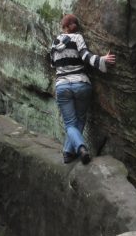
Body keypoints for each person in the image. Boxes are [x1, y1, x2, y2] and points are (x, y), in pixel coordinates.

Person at [49, 14, 115, 164]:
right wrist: (102, 60)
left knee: (70, 124)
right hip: (81, 84)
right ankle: (79, 148)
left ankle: (69, 152)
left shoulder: (54, 43)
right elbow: (86, 56)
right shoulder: (77, 38)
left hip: (62, 86)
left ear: (63, 27)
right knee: (79, 120)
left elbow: (53, 64)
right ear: (75, 26)